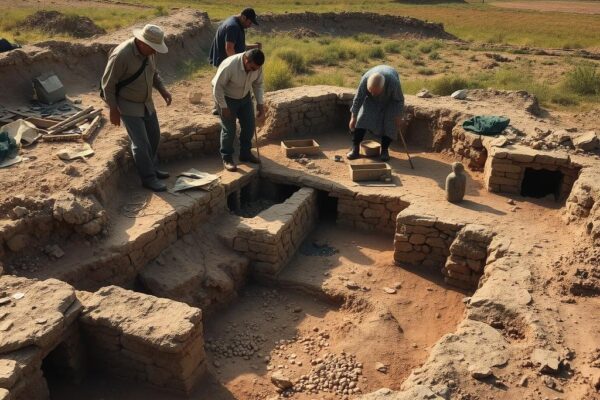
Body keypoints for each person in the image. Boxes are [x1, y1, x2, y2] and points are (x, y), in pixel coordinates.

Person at [101, 24, 173, 192]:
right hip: (128, 104)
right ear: (142, 43)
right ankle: (148, 178)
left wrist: (163, 90)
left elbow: (154, 74)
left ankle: (152, 167)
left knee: (154, 136)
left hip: (147, 102)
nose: (155, 52)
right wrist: (113, 109)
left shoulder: (150, 52)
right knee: (140, 143)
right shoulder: (121, 55)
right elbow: (107, 85)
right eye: (153, 48)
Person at [212, 49, 265, 172]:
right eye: (252, 68)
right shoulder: (230, 65)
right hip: (226, 97)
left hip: (245, 97)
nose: (253, 71)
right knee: (229, 129)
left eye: (256, 69)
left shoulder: (257, 67)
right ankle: (227, 157)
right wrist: (223, 106)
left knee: (249, 125)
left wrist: (260, 104)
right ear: (246, 60)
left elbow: (258, 84)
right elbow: (217, 88)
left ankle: (245, 154)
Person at [208, 8, 262, 114]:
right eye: (249, 22)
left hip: (226, 59)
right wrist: (237, 65)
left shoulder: (238, 25)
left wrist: (255, 46)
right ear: (243, 17)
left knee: (226, 83)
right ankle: (219, 107)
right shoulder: (233, 27)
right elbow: (229, 48)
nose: (250, 25)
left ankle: (222, 106)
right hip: (224, 61)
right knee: (222, 83)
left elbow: (240, 46)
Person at [348, 65, 405, 162]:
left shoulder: (393, 83)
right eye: (371, 91)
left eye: (376, 92)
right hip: (371, 101)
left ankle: (384, 150)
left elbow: (399, 100)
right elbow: (358, 99)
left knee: (390, 123)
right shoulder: (365, 79)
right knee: (361, 119)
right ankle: (355, 147)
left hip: (390, 101)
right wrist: (353, 117)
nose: (373, 93)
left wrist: (398, 116)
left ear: (383, 87)